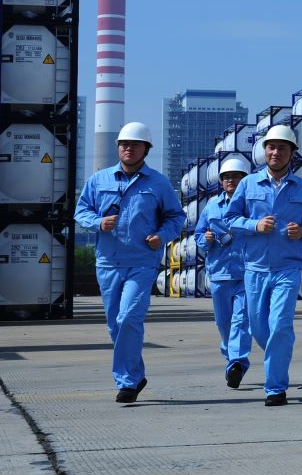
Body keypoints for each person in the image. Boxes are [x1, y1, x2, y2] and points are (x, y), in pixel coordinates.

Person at [74, 122, 184, 403]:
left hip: (142, 262)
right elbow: (81, 211)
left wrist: (162, 236)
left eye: (135, 144)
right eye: (124, 144)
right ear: (117, 147)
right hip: (108, 262)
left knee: (128, 317)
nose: (128, 148)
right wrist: (98, 222)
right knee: (115, 324)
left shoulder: (158, 183)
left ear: (146, 149)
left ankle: (127, 382)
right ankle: (136, 374)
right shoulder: (99, 180)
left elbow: (176, 217)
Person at [224, 125, 302, 407]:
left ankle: (276, 387)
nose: (276, 152)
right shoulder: (248, 184)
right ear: (264, 151)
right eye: (271, 147)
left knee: (280, 325)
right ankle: (278, 355)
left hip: (288, 268)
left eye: (282, 148)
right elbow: (229, 219)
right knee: (260, 329)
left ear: (292, 153)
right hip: (255, 269)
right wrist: (254, 225)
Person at [194, 153, 253, 389]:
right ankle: (231, 358)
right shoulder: (211, 207)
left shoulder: (251, 206)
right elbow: (199, 234)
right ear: (221, 181)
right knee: (224, 322)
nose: (230, 180)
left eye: (236, 177)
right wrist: (206, 239)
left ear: (244, 179)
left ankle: (237, 363)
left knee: (242, 320)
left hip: (246, 273)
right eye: (226, 177)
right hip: (219, 273)